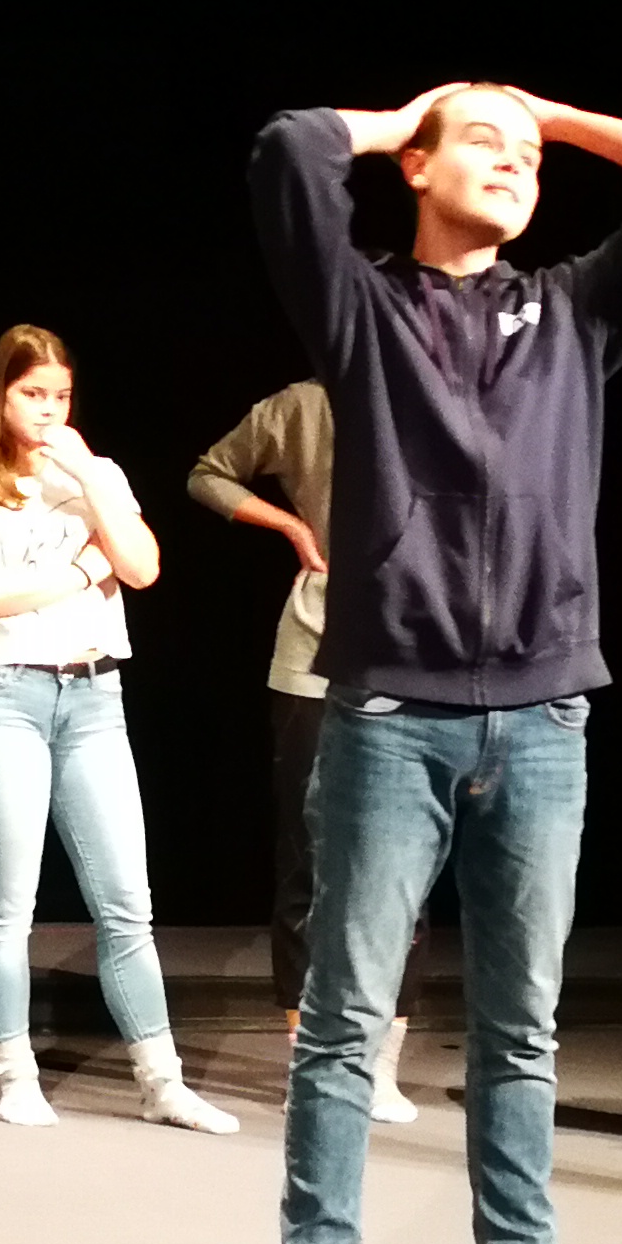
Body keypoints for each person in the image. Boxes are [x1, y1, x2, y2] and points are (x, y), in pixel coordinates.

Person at [227, 83, 622, 1244]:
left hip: (543, 714)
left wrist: (547, 117)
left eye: (529, 158)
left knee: (521, 1030)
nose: (514, 163)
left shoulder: (573, 310)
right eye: (481, 145)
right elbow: (289, 147)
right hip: (389, 715)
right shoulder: (363, 309)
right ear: (415, 167)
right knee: (343, 1027)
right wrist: (413, 111)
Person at [0, 328, 238, 1134]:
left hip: (95, 695)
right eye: (32, 395)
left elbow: (141, 567)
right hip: (1, 694)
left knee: (128, 902)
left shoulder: (97, 476)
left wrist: (91, 477)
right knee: (8, 902)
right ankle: (16, 1074)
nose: (48, 411)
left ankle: (162, 1083)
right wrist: (77, 572)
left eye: (60, 396)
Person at [187, 378, 431, 1122]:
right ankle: (308, 1064)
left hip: (415, 655)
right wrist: (293, 526)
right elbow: (208, 474)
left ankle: (379, 1066)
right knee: (306, 861)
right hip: (314, 653)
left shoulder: (442, 396)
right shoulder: (305, 405)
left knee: (406, 871)